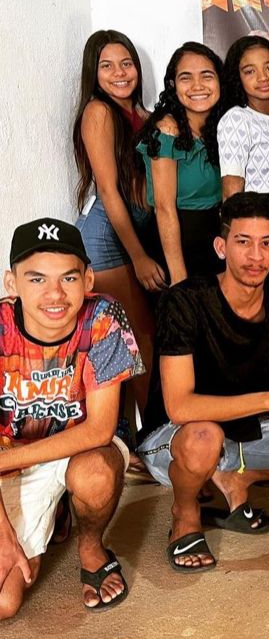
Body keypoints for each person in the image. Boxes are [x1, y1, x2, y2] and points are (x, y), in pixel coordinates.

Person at [138, 192, 269, 572]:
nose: (255, 256)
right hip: (176, 438)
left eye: (266, 244)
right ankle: (185, 514)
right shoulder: (185, 301)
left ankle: (235, 477)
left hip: (247, 431)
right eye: (243, 242)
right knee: (204, 437)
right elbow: (180, 407)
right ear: (221, 247)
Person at [0, 218, 143, 620]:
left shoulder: (103, 316)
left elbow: (99, 429)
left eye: (68, 278)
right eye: (36, 279)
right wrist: (4, 534)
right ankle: (58, 510)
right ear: (12, 283)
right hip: (10, 458)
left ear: (88, 279)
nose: (55, 294)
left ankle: (91, 546)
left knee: (94, 474)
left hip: (79, 447)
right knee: (5, 602)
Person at [72, 30, 161, 425]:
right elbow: (108, 190)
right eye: (107, 66)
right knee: (137, 340)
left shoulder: (145, 116)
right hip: (106, 235)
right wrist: (139, 256)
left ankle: (137, 440)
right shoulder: (99, 112)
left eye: (126, 63)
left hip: (133, 231)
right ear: (93, 73)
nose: (120, 73)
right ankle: (156, 437)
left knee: (137, 339)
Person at [138, 43, 224, 284]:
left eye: (207, 76)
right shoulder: (167, 130)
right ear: (172, 85)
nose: (198, 86)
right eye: (186, 77)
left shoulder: (224, 126)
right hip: (176, 251)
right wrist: (179, 280)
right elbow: (164, 208)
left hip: (214, 245)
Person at [218, 34, 269, 223]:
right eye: (250, 71)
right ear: (237, 77)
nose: (263, 77)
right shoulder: (237, 118)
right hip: (257, 217)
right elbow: (232, 189)